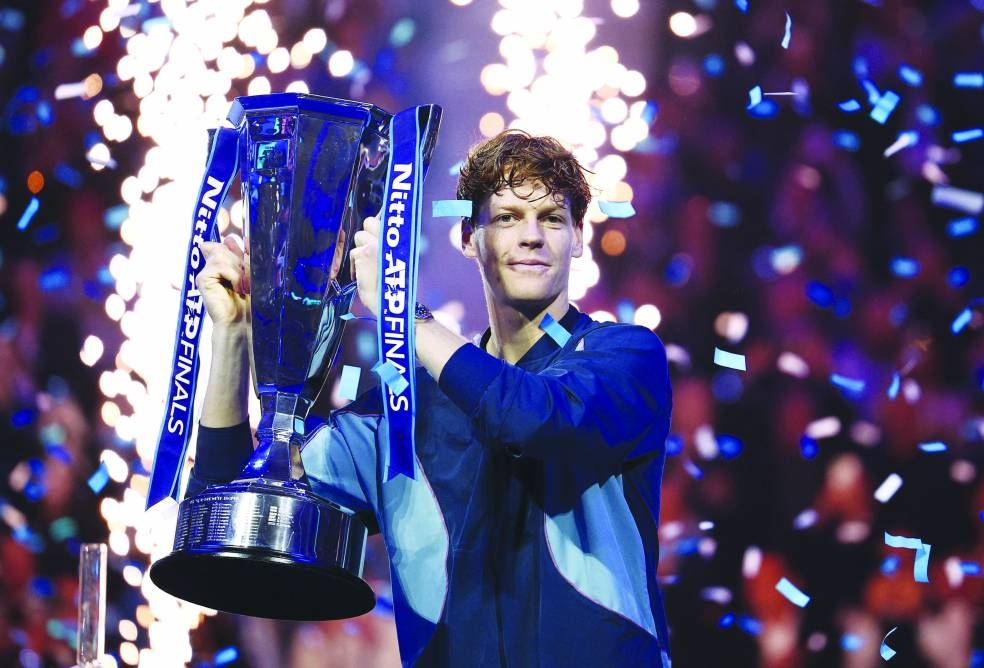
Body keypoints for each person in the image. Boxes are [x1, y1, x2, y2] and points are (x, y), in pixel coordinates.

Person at [189, 129, 673, 667]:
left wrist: (404, 311)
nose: (532, 236)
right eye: (508, 217)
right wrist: (232, 337)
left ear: (578, 238)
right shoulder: (402, 411)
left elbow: (532, 416)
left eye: (553, 218)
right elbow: (228, 509)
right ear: (468, 238)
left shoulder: (624, 358)